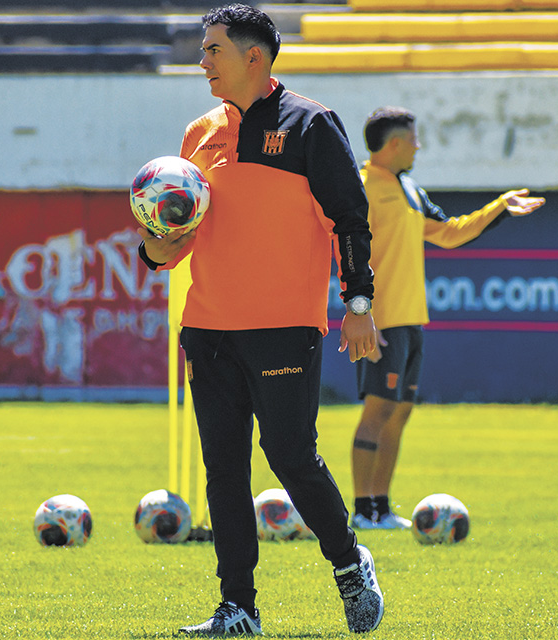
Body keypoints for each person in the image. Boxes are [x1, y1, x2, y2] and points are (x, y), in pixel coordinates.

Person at [137, 5, 384, 635]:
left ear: (255, 56)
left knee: (291, 455)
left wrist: (359, 304)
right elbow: (181, 234)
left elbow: (350, 221)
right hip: (209, 328)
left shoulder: (312, 125)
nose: (202, 62)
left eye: (213, 50)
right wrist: (156, 249)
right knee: (224, 466)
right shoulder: (197, 136)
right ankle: (238, 607)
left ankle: (349, 563)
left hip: (284, 325)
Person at [349, 107, 545, 529]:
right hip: (380, 322)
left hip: (411, 320)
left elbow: (451, 233)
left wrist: (500, 207)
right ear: (396, 143)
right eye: (414, 139)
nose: (419, 146)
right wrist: (364, 313)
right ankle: (361, 511)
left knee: (398, 413)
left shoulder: (410, 191)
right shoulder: (361, 189)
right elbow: (347, 255)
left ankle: (380, 508)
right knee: (377, 412)